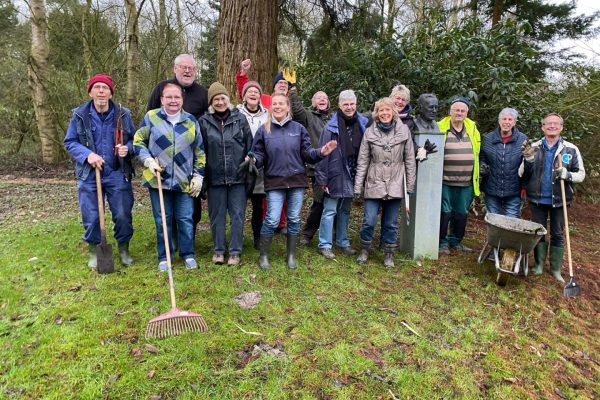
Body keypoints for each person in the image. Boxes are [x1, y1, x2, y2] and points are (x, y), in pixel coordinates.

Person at [252, 93, 337, 270]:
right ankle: (264, 255)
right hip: (274, 182)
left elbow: (307, 153)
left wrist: (321, 152)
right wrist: (253, 159)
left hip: (296, 181)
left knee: (294, 219)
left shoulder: (298, 129)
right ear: (271, 107)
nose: (278, 106)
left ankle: (291, 255)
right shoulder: (264, 130)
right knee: (272, 219)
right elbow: (258, 154)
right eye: (274, 104)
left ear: (288, 107)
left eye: (281, 103)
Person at [64, 74, 135, 269]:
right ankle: (94, 250)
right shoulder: (79, 115)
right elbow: (70, 142)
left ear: (111, 93)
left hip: (117, 172)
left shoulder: (123, 114)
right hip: (89, 174)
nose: (101, 91)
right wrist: (87, 155)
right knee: (92, 215)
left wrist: (127, 148)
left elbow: (135, 140)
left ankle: (123, 248)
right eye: (97, 88)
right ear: (90, 92)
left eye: (105, 88)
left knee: (122, 213)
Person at [134, 82, 205, 271]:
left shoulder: (191, 121)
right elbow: (138, 142)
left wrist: (198, 176)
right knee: (162, 219)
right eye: (169, 97)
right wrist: (148, 160)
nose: (173, 101)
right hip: (158, 179)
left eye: (177, 97)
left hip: (183, 180)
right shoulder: (151, 118)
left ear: (182, 100)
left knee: (185, 218)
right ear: (162, 99)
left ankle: (188, 254)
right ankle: (164, 256)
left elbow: (199, 151)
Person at [147, 54, 209, 245]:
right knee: (166, 206)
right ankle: (170, 240)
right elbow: (149, 119)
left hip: (189, 159)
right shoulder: (162, 88)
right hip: (164, 161)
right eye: (183, 67)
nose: (187, 70)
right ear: (175, 68)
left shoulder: (202, 93)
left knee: (192, 204)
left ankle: (188, 241)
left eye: (191, 68)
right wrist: (149, 156)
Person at [520, 113, 585, 281]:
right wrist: (528, 160)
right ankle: (539, 265)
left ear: (561, 127)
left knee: (557, 233)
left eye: (556, 124)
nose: (552, 126)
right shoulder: (533, 147)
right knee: (539, 232)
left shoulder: (570, 149)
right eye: (548, 124)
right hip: (537, 198)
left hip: (560, 199)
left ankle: (555, 269)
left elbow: (581, 174)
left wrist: (568, 174)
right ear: (542, 127)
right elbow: (522, 174)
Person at [353, 97, 416, 268]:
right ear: (377, 113)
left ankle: (389, 254)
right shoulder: (369, 133)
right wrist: (358, 186)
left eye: (388, 110)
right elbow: (363, 161)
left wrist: (410, 185)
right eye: (381, 110)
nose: (384, 113)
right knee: (369, 219)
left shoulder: (404, 132)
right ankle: (365, 249)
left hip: (395, 182)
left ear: (394, 113)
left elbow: (410, 159)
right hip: (374, 181)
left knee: (391, 222)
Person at [199, 82, 253, 266]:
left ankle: (235, 252)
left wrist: (249, 158)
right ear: (211, 102)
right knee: (217, 216)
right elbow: (201, 150)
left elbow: (250, 144)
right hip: (215, 178)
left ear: (228, 100)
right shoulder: (203, 122)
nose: (220, 102)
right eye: (216, 99)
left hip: (238, 177)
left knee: (237, 215)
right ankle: (219, 250)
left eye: (223, 98)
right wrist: (203, 177)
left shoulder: (240, 119)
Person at [315, 89, 368, 259]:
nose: (349, 107)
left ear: (356, 104)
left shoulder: (363, 123)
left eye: (352, 104)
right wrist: (322, 179)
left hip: (354, 172)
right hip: (336, 173)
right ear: (339, 105)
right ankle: (324, 244)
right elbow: (323, 155)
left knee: (345, 209)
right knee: (330, 210)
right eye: (345, 104)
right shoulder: (331, 127)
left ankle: (342, 241)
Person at [287, 79, 332, 246]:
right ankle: (307, 233)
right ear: (313, 102)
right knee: (319, 201)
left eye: (325, 98)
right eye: (318, 97)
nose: (322, 99)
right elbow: (297, 111)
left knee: (335, 202)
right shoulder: (308, 116)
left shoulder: (334, 118)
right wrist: (292, 91)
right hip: (317, 167)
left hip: (335, 167)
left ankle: (332, 234)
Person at [437, 97, 481, 256]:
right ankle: (441, 242)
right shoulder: (439, 127)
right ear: (450, 111)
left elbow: (477, 153)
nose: (459, 113)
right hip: (444, 180)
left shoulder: (473, 129)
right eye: (456, 110)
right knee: (445, 212)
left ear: (466, 113)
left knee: (461, 213)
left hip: (467, 182)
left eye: (463, 111)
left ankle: (455, 241)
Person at [236, 80, 269, 249]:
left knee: (258, 205)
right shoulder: (235, 113)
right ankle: (237, 238)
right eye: (250, 91)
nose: (253, 93)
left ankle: (257, 237)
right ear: (244, 96)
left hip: (260, 166)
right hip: (240, 164)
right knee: (239, 205)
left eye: (257, 91)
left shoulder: (267, 115)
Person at [480, 108, 528, 217]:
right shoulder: (488, 139)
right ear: (499, 121)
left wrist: (524, 186)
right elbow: (482, 157)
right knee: (493, 222)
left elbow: (526, 165)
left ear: (515, 122)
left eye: (510, 119)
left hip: (514, 189)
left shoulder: (522, 139)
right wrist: (482, 167)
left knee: (511, 223)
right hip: (491, 188)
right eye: (504, 119)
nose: (507, 122)